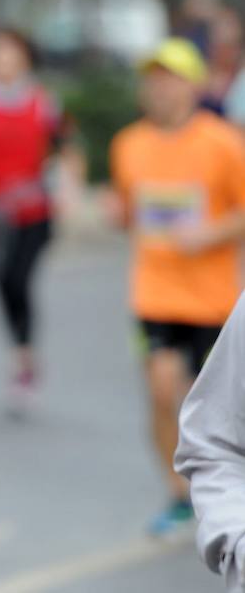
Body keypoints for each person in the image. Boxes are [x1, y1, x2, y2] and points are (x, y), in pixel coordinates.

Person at [108, 37, 245, 538]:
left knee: (221, 406)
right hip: (154, 294)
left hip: (213, 299)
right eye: (152, 79)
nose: (160, 88)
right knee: (162, 391)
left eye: (171, 78)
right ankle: (177, 493)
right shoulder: (129, 144)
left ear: (194, 84)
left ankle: (225, 486)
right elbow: (127, 213)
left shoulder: (224, 143)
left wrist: (210, 233)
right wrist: (115, 214)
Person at [0, 26, 61, 414]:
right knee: (0, 280)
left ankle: (24, 359)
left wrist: (63, 184)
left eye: (10, 51)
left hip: (33, 212)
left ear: (24, 57)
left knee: (19, 278)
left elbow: (62, 147)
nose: (2, 59)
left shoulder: (42, 102)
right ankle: (20, 352)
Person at [175, 290, 245, 592]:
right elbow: (214, 445)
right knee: (162, 386)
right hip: (162, 301)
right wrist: (237, 537)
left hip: (207, 300)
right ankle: (174, 498)